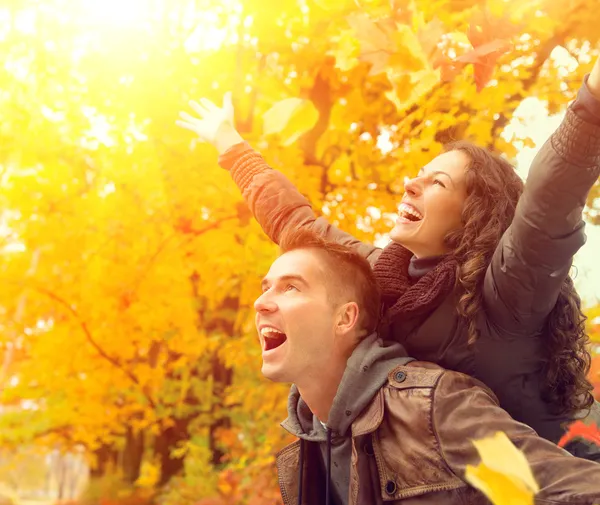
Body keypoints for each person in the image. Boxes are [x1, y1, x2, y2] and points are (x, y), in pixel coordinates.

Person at [177, 58, 600, 449]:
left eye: (437, 183)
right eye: (416, 176)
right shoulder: (383, 274)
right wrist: (230, 145)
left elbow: (548, 199)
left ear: (475, 215)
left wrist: (592, 102)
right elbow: (296, 224)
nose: (410, 185)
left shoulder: (509, 289)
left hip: (563, 496)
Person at [256, 228, 600, 505]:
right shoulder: (305, 452)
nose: (262, 303)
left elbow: (575, 489)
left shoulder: (432, 405)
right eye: (265, 287)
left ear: (345, 318)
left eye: (291, 287)